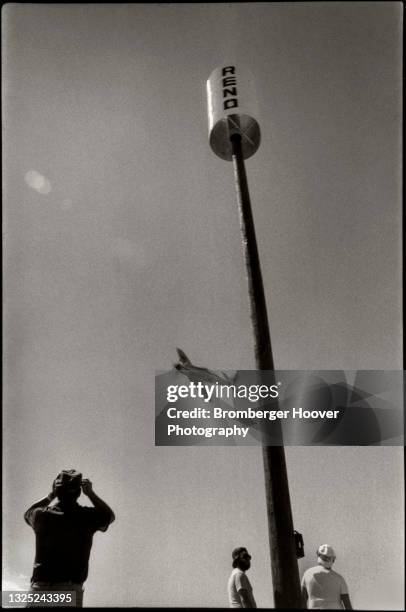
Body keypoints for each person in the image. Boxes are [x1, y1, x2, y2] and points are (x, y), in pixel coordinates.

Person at [24, 469, 115, 607]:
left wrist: (50, 495)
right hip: (69, 589)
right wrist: (90, 493)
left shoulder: (41, 516)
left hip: (39, 589)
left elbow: (28, 513)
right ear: (78, 492)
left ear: (57, 490)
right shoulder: (86, 517)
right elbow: (109, 516)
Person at [301, 544, 353, 610]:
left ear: (318, 556)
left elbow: (302, 600)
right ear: (333, 560)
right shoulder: (339, 579)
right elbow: (347, 604)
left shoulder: (307, 573)